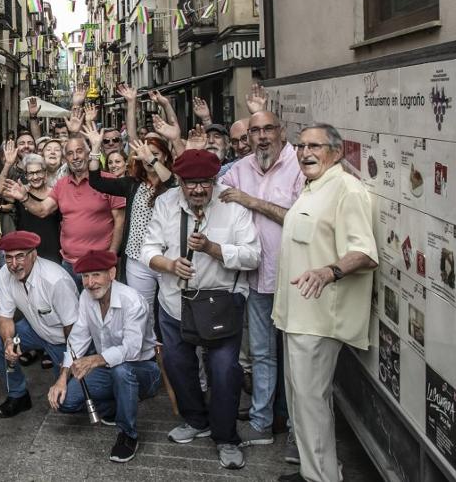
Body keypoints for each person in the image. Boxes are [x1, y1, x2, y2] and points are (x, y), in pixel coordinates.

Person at [142, 149, 260, 470]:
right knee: (178, 365)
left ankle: (225, 437)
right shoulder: (165, 203)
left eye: (205, 183)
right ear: (179, 181)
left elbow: (253, 255)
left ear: (215, 180)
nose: (198, 190)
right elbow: (147, 249)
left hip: (219, 304)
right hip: (174, 303)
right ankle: (196, 420)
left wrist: (213, 249)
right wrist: (168, 264)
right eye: (191, 183)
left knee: (224, 373)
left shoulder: (232, 204)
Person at [273, 124, 378, 482]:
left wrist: (328, 272)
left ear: (336, 150)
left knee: (311, 404)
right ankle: (315, 470)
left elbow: (363, 251)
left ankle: (321, 478)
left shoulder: (347, 190)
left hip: (319, 319)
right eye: (301, 146)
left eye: (314, 146)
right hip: (297, 315)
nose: (305, 153)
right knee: (302, 403)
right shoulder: (314, 185)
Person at [219, 109, 304, 445]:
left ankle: (299, 431)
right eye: (256, 131)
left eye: (269, 129)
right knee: (263, 354)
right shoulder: (240, 169)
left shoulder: (299, 165)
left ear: (281, 132)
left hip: (296, 280)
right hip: (256, 278)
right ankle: (261, 424)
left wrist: (251, 201)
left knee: (297, 359)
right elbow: (212, 195)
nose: (263, 136)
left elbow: (298, 219)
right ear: (248, 137)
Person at [47, 250, 160, 464]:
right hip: (108, 369)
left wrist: (94, 360)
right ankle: (119, 404)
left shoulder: (132, 300)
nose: (90, 283)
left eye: (96, 275)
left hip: (142, 371)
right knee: (65, 402)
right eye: (85, 277)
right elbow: (77, 339)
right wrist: (62, 377)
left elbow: (132, 349)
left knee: (121, 369)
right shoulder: (86, 297)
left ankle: (128, 435)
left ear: (112, 273)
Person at [3, 136, 126, 289]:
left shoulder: (108, 180)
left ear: (88, 154)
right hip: (68, 265)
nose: (75, 157)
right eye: (70, 153)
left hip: (98, 264)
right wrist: (24, 197)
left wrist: (111, 256)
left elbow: (120, 221)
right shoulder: (61, 185)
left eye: (79, 151)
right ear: (65, 158)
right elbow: (42, 210)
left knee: (99, 310)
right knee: (69, 310)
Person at [0, 230, 79, 418]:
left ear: (34, 255)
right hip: (34, 329)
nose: (14, 265)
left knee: (66, 402)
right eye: (9, 258)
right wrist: (8, 343)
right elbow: (5, 317)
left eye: (20, 256)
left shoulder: (55, 280)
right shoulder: (5, 272)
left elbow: (74, 331)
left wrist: (66, 370)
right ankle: (18, 396)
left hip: (63, 339)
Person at [82, 126, 174, 306]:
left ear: (164, 156)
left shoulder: (173, 184)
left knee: (169, 306)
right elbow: (96, 181)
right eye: (145, 154)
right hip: (137, 258)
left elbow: (171, 182)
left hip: (166, 257)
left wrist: (152, 160)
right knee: (141, 308)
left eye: (155, 153)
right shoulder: (133, 184)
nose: (148, 157)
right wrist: (94, 149)